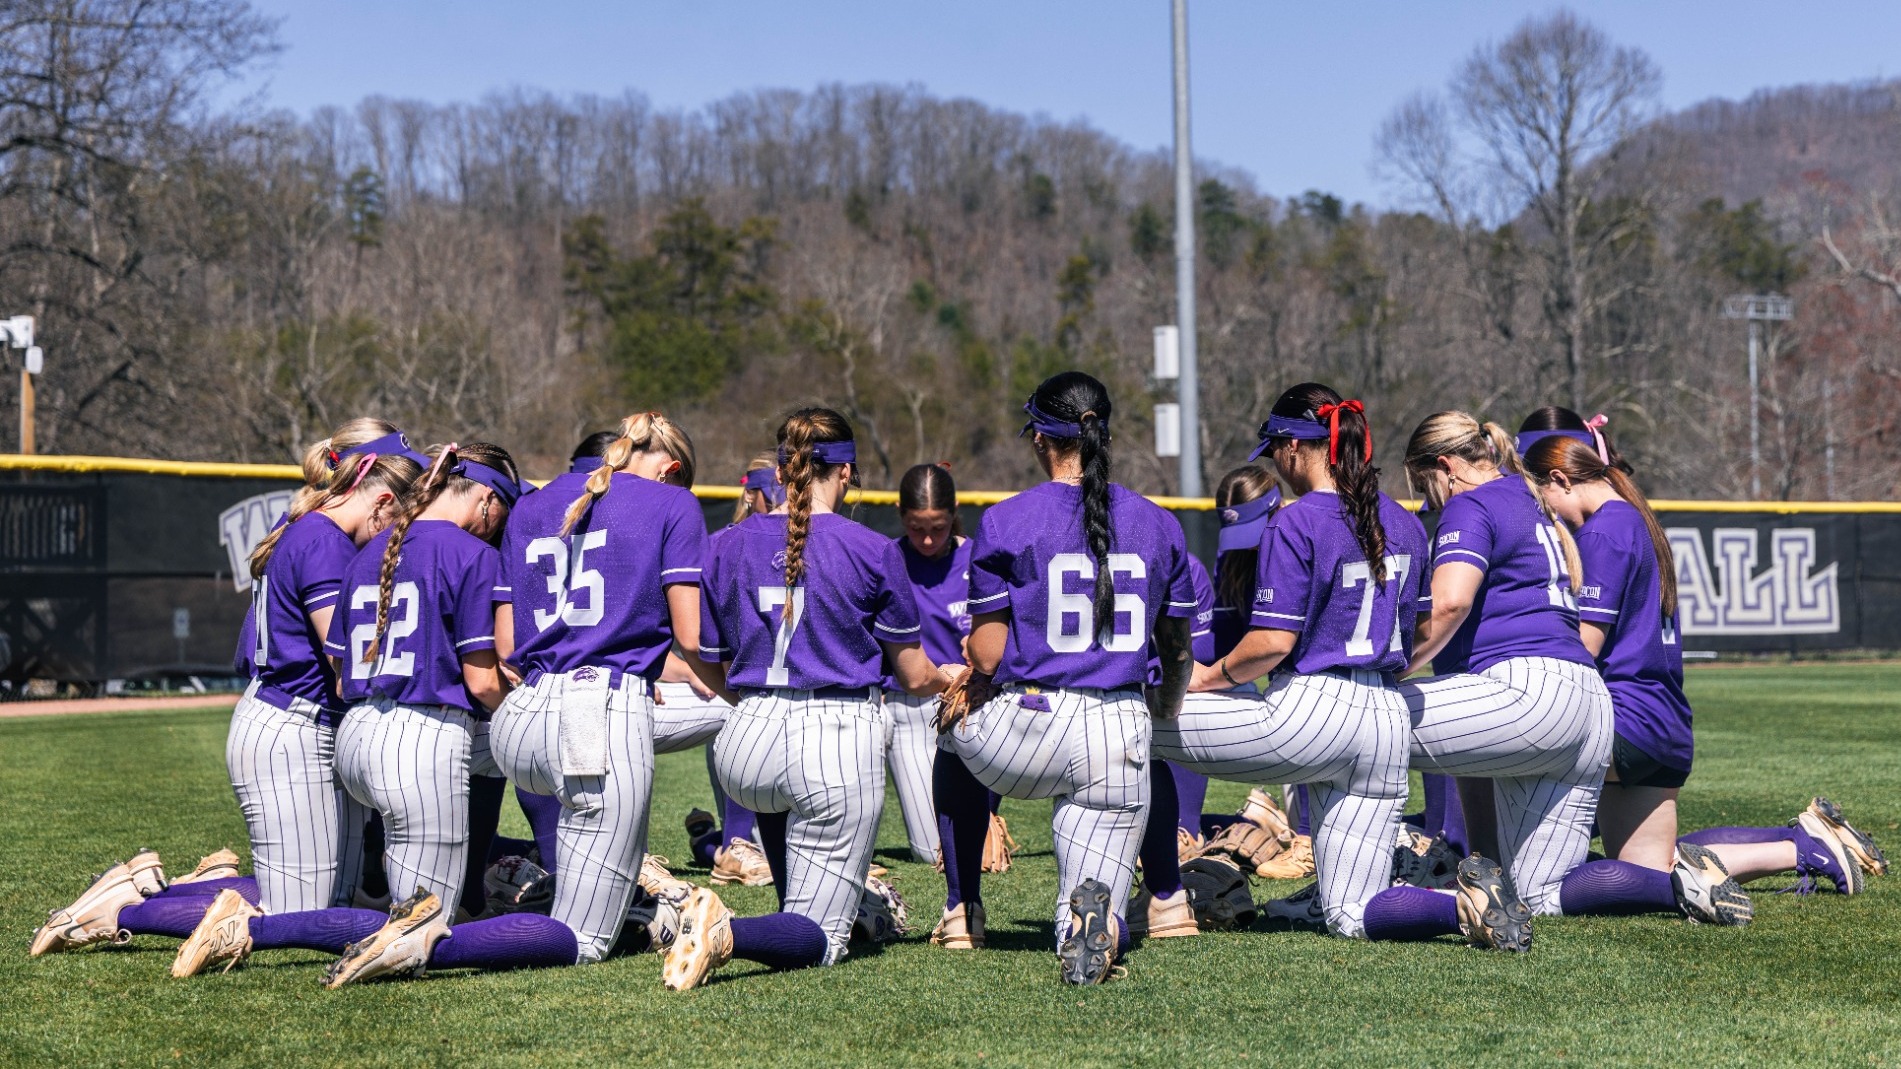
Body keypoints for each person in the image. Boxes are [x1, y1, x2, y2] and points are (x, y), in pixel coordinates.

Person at [29, 419, 424, 957]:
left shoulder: (308, 524)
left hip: (297, 721)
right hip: (292, 729)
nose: (400, 530)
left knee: (328, 901)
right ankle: (127, 907)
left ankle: (179, 890)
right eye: (402, 514)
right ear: (380, 500)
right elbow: (347, 662)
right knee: (296, 917)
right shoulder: (324, 541)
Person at [1518, 410, 1888, 901]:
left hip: (1622, 721)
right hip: (1661, 720)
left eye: (1542, 499)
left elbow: (1584, 646)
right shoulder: (1637, 520)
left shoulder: (1602, 532)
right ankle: (1803, 847)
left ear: (1561, 480)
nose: (1547, 517)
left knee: (1505, 764)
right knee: (1652, 872)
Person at [664, 407, 951, 989]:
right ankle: (728, 931)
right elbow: (913, 674)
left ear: (781, 470)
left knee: (792, 858)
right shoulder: (874, 548)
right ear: (846, 474)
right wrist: (954, 678)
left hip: (747, 742)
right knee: (824, 939)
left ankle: (785, 907)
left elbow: (697, 649)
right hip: (834, 735)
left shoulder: (725, 544)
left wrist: (744, 698)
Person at [942, 372, 1196, 984]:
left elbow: (987, 656)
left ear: (1040, 437)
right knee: (1088, 891)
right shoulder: (1161, 523)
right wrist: (1162, 706)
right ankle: (1103, 924)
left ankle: (961, 909)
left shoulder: (1005, 520)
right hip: (1119, 731)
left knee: (950, 726)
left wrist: (966, 667)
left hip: (1027, 730)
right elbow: (1177, 647)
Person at [1155, 386, 1426, 941]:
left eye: (1276, 449)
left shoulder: (1295, 521)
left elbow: (1273, 643)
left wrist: (1206, 677)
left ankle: (1154, 895)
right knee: (1352, 915)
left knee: (1128, 722)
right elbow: (1419, 631)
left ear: (1295, 447)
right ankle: (1463, 905)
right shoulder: (1405, 522)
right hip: (1387, 717)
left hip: (1312, 709)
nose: (1276, 462)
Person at [1358, 412, 1613, 952]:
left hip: (1528, 688)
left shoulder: (1470, 502)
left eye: (1425, 483)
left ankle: (1347, 891)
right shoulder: (1530, 494)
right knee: (1544, 895)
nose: (1429, 499)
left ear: (1446, 466)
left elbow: (1450, 602)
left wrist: (1391, 667)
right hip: (1589, 702)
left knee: (1351, 721)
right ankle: (1674, 882)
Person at [885, 462, 970, 865]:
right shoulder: (886, 559)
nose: (928, 538)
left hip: (966, 706)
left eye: (938, 527)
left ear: (954, 513)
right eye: (916, 527)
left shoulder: (978, 558)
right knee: (931, 849)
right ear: (900, 514)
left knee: (948, 845)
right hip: (904, 706)